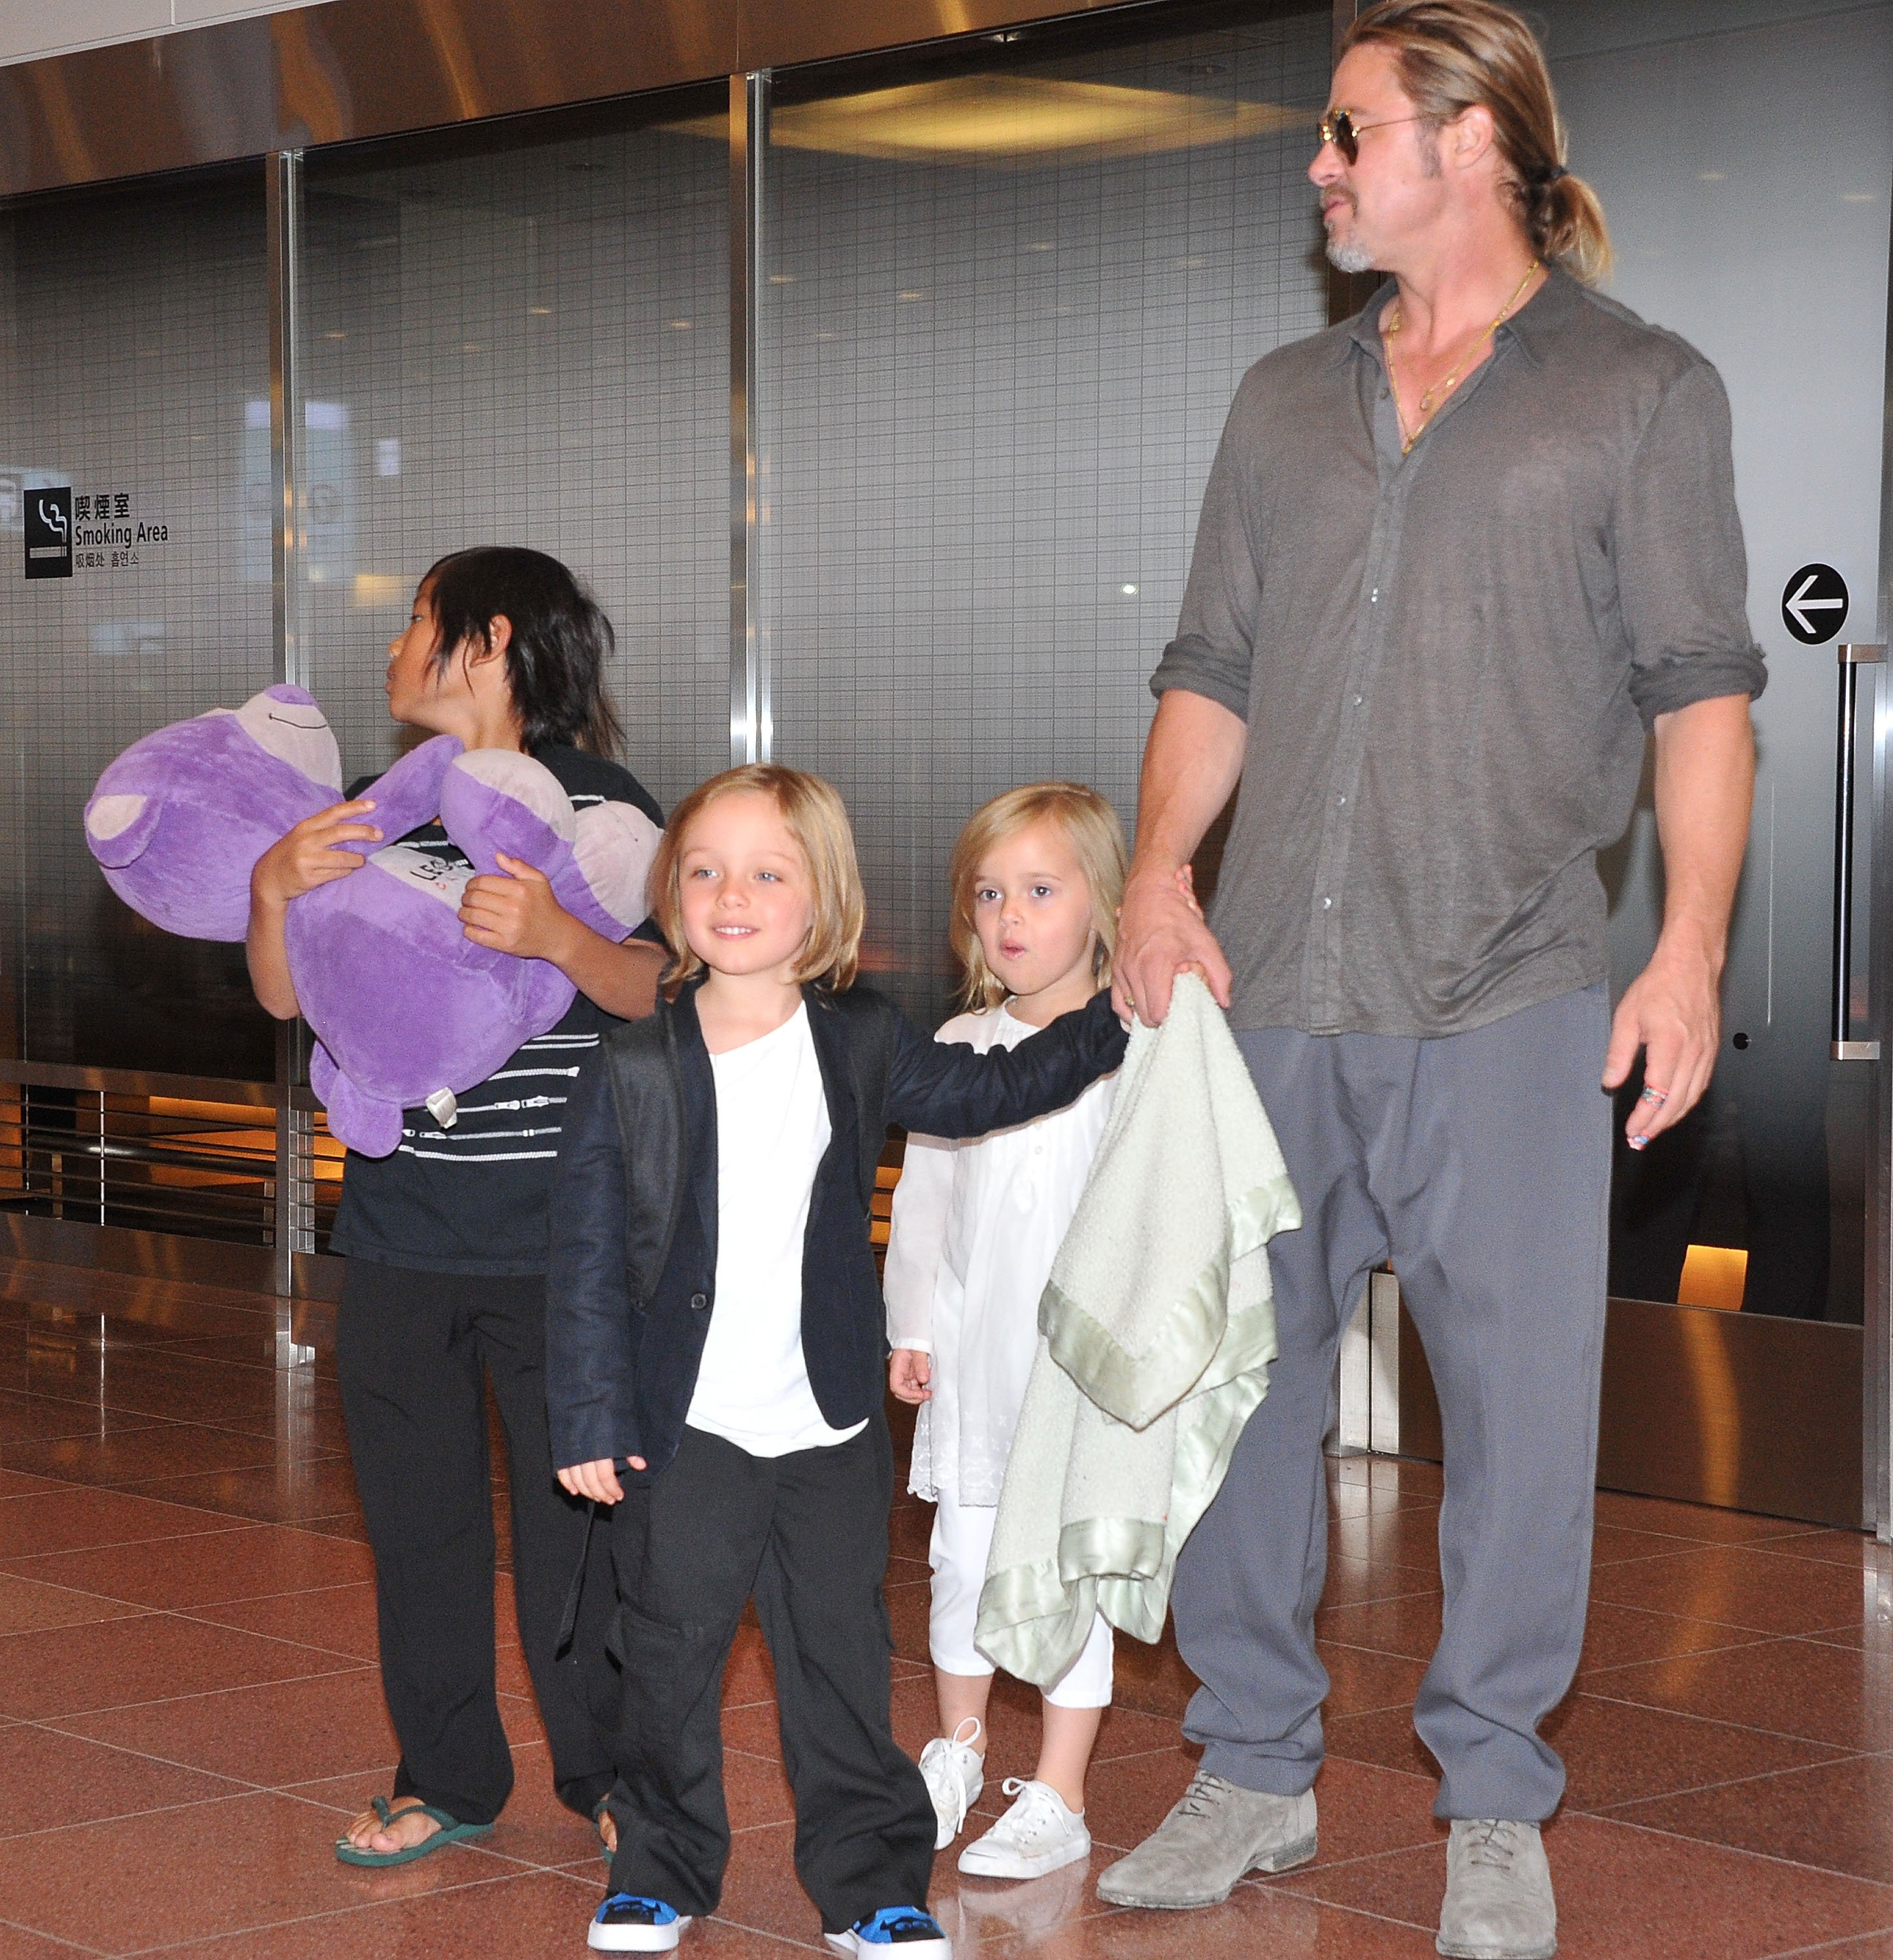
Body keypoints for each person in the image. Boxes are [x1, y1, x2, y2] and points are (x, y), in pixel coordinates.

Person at [1098, 6, 1764, 1957]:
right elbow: (1206, 668)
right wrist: (1153, 875)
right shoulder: (1278, 400)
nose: (1317, 163)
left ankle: (1490, 1794)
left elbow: (1699, 694)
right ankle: (1250, 1768)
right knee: (1237, 1399)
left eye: (1347, 129)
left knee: (1520, 1418)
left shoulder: (1641, 389)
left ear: (1469, 142)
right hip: (1271, 982)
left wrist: (1690, 948)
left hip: (1515, 989)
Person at [544, 764, 1128, 1957]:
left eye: (768, 871)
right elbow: (587, 1256)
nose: (732, 893)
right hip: (685, 1420)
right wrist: (590, 1415)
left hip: (827, 1423)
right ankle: (658, 1863)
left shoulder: (856, 1041)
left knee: (840, 1660)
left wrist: (1121, 1015)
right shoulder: (631, 1062)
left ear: (822, 902)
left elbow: (994, 1086)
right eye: (703, 869)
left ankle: (871, 1885)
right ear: (671, 896)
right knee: (668, 1652)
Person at [246, 546, 668, 1864]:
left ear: (486, 642)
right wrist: (274, 886)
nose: (391, 655)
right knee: (418, 1531)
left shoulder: (603, 807)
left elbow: (666, 990)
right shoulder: (375, 808)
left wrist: (559, 938)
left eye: (413, 624)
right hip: (399, 1238)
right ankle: (448, 1776)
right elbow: (283, 996)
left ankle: (613, 1784)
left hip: (565, 1253)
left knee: (579, 1547)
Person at [885, 783, 1127, 1880]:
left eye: (1039, 888)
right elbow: (926, 1202)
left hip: (1080, 1376)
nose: (1010, 915)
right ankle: (959, 1752)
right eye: (989, 893)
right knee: (962, 1557)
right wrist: (912, 1325)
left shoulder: (1137, 1045)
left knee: (1068, 1568)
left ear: (1102, 905)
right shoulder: (959, 1040)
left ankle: (1063, 1793)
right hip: (978, 1362)